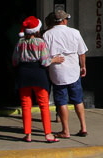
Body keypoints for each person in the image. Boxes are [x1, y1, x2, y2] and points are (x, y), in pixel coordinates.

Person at [11, 15, 63, 143]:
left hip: (23, 73)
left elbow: (14, 61)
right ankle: (48, 134)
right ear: (37, 30)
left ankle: (28, 134)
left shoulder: (20, 43)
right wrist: (54, 59)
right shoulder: (40, 43)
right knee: (43, 105)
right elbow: (45, 62)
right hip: (38, 74)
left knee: (25, 105)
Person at [43, 10, 89, 139]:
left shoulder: (47, 35)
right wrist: (83, 66)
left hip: (57, 71)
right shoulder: (75, 32)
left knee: (62, 101)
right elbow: (82, 52)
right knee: (78, 100)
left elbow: (45, 55)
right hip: (73, 69)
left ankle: (66, 130)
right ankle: (83, 127)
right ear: (63, 20)